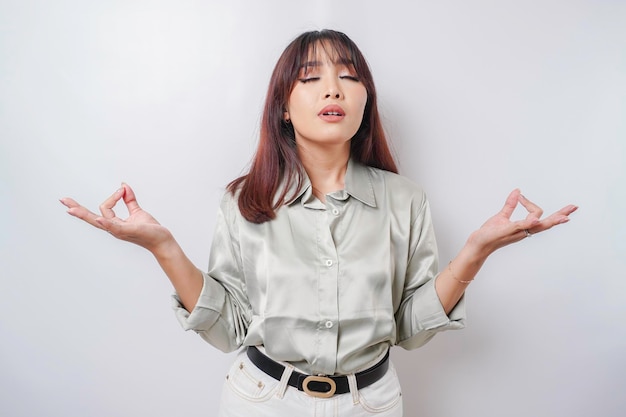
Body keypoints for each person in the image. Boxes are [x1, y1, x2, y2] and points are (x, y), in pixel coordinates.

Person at [60, 29, 577, 416]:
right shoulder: (244, 201)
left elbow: (410, 330)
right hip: (262, 401)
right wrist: (162, 245)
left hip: (371, 403)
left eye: (349, 77)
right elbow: (228, 329)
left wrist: (476, 252)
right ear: (284, 106)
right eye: (311, 78)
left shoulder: (406, 200)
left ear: (364, 101)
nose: (333, 89)